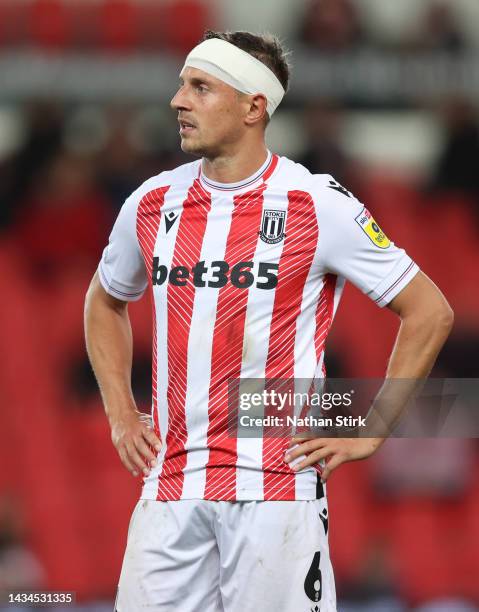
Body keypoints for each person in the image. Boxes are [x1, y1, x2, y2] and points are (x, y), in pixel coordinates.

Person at [84, 30, 453, 612]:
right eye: (182, 84)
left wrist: (376, 427)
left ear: (254, 107)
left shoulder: (317, 203)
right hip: (171, 486)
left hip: (276, 489)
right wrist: (121, 413)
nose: (177, 100)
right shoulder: (151, 203)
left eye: (199, 87)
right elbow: (104, 301)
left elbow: (430, 311)